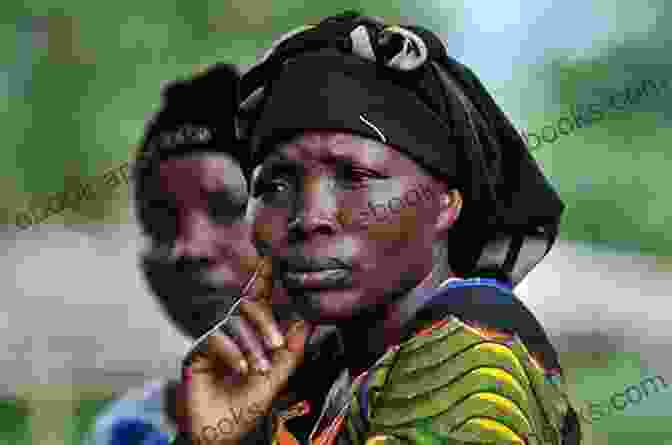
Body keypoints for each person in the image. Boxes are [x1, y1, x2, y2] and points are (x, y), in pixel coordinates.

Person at [175, 12, 582, 445]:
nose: (310, 217)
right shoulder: (319, 376)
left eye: (355, 176)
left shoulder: (472, 347)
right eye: (274, 184)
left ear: (446, 204)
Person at [86, 64, 343, 445]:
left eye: (228, 208)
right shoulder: (125, 430)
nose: (187, 248)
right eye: (159, 220)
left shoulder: (404, 404)